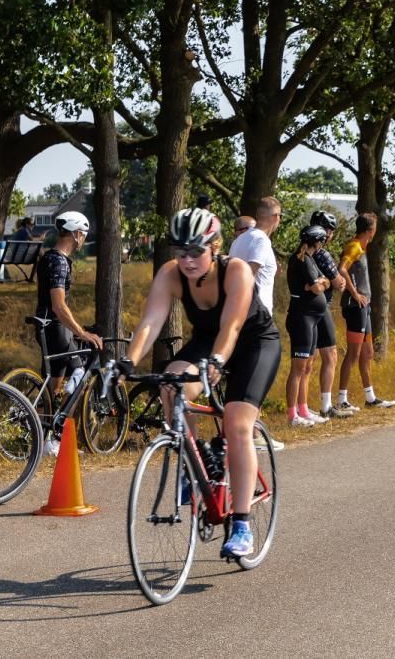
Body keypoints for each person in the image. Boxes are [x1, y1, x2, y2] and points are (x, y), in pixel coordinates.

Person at [120, 207, 281, 559]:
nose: (188, 261)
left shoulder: (236, 270)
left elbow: (233, 327)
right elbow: (151, 321)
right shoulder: (171, 274)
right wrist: (128, 361)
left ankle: (241, 524)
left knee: (237, 424)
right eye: (181, 253)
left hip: (253, 343)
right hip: (208, 341)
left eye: (196, 252)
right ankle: (196, 463)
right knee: (171, 384)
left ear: (215, 247)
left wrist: (219, 362)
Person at [33, 211, 103, 414]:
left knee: (53, 386)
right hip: (55, 327)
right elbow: (59, 306)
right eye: (84, 234)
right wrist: (83, 333)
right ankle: (54, 436)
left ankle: (47, 435)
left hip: (45, 325)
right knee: (79, 373)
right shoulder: (60, 263)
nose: (84, 239)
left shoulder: (48, 257)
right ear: (76, 234)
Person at [338, 213, 395, 409]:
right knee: (353, 353)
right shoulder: (354, 246)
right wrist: (354, 293)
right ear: (370, 230)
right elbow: (342, 269)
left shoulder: (363, 247)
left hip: (365, 307)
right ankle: (341, 400)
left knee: (367, 352)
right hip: (355, 307)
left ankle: (370, 398)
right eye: (375, 228)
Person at [283, 225, 331, 428]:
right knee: (298, 368)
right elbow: (317, 286)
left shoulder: (310, 260)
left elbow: (325, 282)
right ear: (318, 242)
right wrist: (319, 284)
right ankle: (292, 414)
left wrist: (321, 282)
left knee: (307, 366)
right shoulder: (301, 259)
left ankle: (303, 409)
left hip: (311, 318)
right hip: (302, 318)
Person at [307, 211, 350, 419]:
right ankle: (326, 405)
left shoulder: (304, 251)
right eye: (331, 231)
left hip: (306, 309)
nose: (331, 235)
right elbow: (339, 283)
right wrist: (334, 280)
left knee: (310, 360)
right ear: (326, 231)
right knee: (330, 356)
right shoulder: (322, 254)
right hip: (321, 307)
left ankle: (303, 407)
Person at [228, 199, 280, 314]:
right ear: (276, 217)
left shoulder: (238, 240)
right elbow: (248, 274)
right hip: (256, 314)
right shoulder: (262, 240)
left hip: (237, 310)